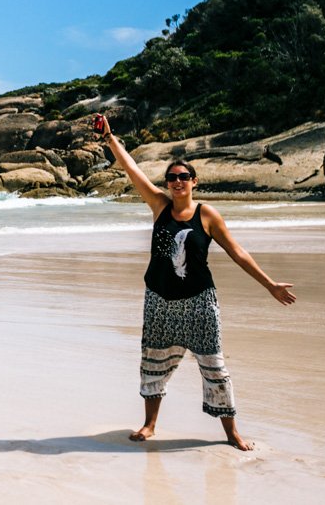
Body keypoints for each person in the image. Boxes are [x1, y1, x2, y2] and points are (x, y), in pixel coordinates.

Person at [95, 114, 296, 451]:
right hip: (159, 300)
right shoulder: (158, 206)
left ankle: (232, 433)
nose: (177, 182)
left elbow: (238, 252)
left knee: (214, 366)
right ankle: (150, 424)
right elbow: (132, 170)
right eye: (172, 178)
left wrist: (270, 284)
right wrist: (110, 137)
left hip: (200, 302)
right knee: (153, 362)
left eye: (184, 177)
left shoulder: (207, 214)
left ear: (194, 181)